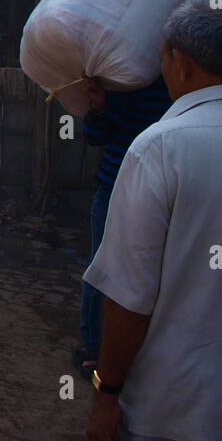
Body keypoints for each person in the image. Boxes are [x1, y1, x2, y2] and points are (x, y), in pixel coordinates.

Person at [84, 0, 222, 441]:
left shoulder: (161, 148)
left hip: (171, 401)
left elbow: (128, 295)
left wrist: (107, 390)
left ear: (179, 62)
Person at [75, 73, 171, 380]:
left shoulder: (188, 76)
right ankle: (94, 348)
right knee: (102, 268)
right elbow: (96, 134)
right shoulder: (125, 75)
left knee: (160, 271)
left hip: (171, 188)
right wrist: (99, 106)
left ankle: (146, 348)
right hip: (115, 186)